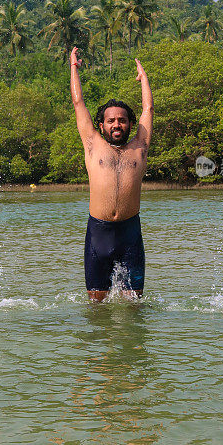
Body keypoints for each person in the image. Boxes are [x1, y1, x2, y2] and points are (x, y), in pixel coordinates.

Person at [70, 46, 154, 301]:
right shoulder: (93, 145)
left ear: (130, 123)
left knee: (134, 306)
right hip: (98, 234)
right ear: (102, 125)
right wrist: (73, 68)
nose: (117, 124)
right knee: (96, 307)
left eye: (122, 119)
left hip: (130, 235)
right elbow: (78, 102)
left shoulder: (140, 147)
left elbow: (148, 110)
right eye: (111, 120)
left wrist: (144, 80)